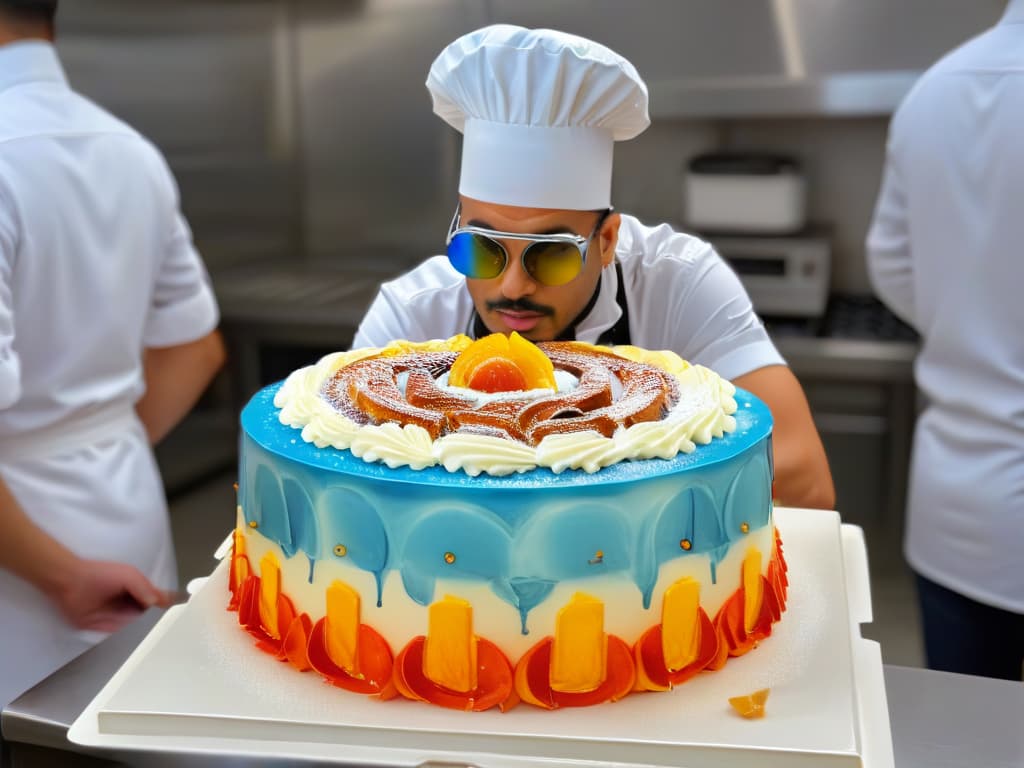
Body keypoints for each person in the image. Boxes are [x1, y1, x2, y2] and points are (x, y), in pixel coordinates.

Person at [353, 24, 834, 511]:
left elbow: (800, 477)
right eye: (482, 250)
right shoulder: (412, 317)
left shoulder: (678, 283)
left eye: (551, 254)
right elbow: (352, 485)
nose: (513, 285)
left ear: (606, 242)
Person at [0, 0, 227, 709]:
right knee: (121, 723)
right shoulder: (129, 148)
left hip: (28, 558)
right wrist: (101, 437)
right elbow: (196, 347)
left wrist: (60, 571)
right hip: (124, 503)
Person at [866, 0, 1024, 681]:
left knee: (969, 739)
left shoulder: (934, 90)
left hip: (958, 514)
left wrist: (972, 324)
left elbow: (893, 266)